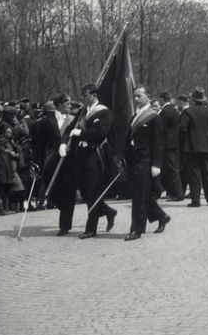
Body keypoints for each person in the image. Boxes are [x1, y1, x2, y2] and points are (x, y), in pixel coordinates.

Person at [60, 83, 117, 239]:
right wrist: (64, 143)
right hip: (80, 155)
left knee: (92, 191)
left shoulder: (104, 112)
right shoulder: (82, 112)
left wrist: (81, 133)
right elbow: (68, 129)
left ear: (93, 95)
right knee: (85, 192)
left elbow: (100, 133)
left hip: (95, 155)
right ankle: (108, 211)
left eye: (85, 95)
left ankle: (91, 229)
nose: (83, 98)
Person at [124, 85, 170, 240]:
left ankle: (136, 230)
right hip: (133, 160)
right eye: (135, 96)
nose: (136, 99)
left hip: (146, 160)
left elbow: (158, 143)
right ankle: (161, 215)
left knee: (139, 196)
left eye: (139, 96)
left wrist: (156, 164)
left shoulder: (154, 117)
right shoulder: (135, 116)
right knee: (142, 194)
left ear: (148, 96)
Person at [33, 94, 77, 235]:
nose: (70, 106)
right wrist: (37, 162)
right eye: (68, 104)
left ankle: (64, 226)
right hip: (51, 160)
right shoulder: (45, 121)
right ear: (59, 105)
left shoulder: (74, 120)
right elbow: (39, 145)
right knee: (52, 192)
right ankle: (62, 207)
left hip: (69, 161)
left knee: (68, 193)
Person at [179, 87, 208, 207]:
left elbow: (183, 129)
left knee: (194, 173)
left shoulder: (188, 111)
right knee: (207, 173)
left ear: (193, 100)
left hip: (192, 146)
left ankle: (196, 200)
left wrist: (183, 142)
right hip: (207, 146)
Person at [159, 91, 184, 201]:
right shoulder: (174, 110)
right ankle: (173, 192)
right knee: (171, 168)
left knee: (172, 169)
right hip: (173, 142)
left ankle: (178, 194)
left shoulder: (165, 112)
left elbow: (162, 129)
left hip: (167, 143)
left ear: (161, 99)